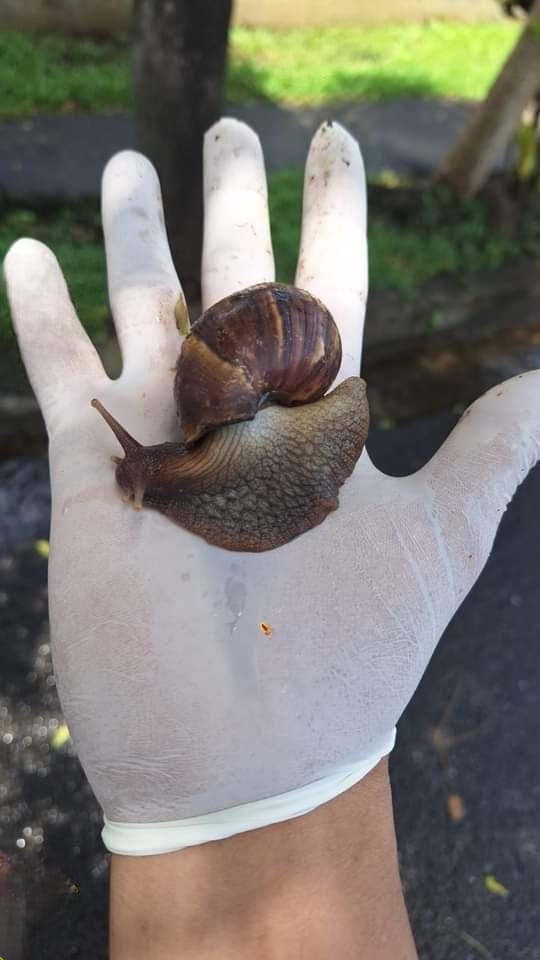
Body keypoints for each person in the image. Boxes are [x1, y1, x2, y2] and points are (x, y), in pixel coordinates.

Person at [4, 118, 539, 960]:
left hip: (270, 392)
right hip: (255, 399)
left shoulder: (287, 409)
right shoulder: (237, 423)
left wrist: (222, 821)